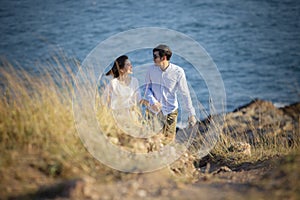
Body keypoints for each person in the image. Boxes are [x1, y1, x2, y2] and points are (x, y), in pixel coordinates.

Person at [144, 44, 197, 143]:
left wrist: (191, 114)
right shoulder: (150, 70)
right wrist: (153, 101)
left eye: (155, 57)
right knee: (152, 141)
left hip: (170, 112)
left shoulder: (178, 72)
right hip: (153, 111)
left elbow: (185, 93)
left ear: (163, 58)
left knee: (167, 142)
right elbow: (147, 89)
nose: (153, 59)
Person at [102, 55, 142, 132]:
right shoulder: (113, 83)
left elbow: (138, 100)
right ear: (121, 69)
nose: (131, 66)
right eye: (128, 64)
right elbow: (104, 101)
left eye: (130, 64)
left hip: (132, 116)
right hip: (118, 118)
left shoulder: (134, 81)